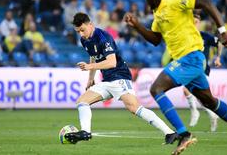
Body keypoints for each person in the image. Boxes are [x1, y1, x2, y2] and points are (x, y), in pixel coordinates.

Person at [124, 0, 227, 155]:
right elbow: (155, 39)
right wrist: (137, 25)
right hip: (187, 63)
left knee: (156, 89)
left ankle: (183, 133)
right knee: (209, 102)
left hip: (191, 57)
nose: (144, 0)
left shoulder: (174, 0)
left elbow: (205, 2)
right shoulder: (158, 13)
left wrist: (222, 31)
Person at [65, 12, 179, 145]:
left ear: (90, 24)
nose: (81, 34)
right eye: (78, 31)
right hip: (107, 80)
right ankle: (85, 132)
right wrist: (91, 78)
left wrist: (90, 66)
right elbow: (93, 56)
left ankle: (169, 132)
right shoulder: (84, 40)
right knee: (82, 101)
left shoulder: (103, 37)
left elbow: (112, 62)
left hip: (120, 77)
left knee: (134, 107)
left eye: (82, 30)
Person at [161, 11, 221, 131]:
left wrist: (218, 57)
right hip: (189, 67)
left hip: (201, 67)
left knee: (187, 90)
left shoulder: (204, 36)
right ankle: (212, 114)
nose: (194, 23)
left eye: (196, 22)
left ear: (199, 23)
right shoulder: (185, 36)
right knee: (201, 96)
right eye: (192, 21)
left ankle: (195, 112)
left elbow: (219, 43)